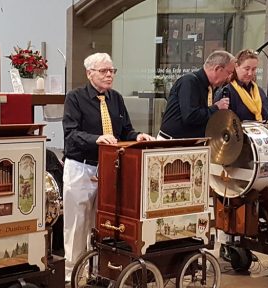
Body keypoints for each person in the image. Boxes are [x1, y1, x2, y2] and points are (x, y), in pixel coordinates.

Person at [62, 52, 153, 281]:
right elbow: (71, 135)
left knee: (102, 225)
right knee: (77, 225)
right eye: (104, 71)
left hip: (109, 169)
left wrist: (137, 136)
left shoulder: (116, 99)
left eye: (112, 71)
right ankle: (72, 274)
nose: (109, 75)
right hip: (81, 168)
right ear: (89, 73)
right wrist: (97, 139)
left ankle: (97, 272)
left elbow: (125, 131)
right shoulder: (75, 98)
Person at [158, 51, 236, 139]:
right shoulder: (189, 82)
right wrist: (216, 107)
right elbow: (190, 116)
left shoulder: (209, 87)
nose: (229, 77)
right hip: (173, 142)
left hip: (191, 141)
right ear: (217, 69)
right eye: (229, 73)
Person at [215, 49, 268, 121]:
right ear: (236, 66)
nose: (250, 73)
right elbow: (221, 121)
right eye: (247, 69)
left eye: (254, 69)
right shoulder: (227, 92)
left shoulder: (259, 91)